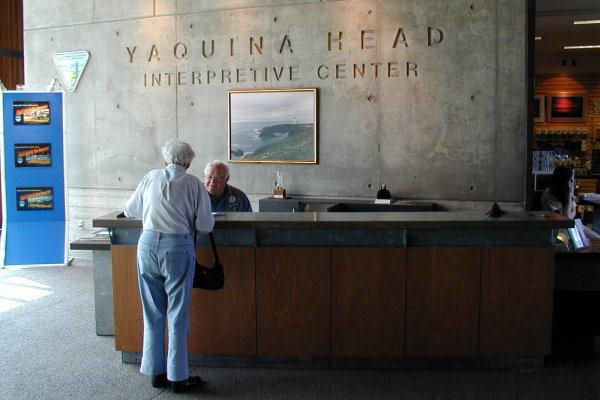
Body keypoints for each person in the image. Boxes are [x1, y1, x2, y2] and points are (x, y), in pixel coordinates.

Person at [124, 139, 214, 393]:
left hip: (147, 246)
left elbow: (131, 210)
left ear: (165, 160)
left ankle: (155, 371)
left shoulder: (150, 177)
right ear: (188, 163)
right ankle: (178, 377)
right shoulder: (194, 183)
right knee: (177, 314)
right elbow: (205, 226)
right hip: (177, 249)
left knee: (152, 313)